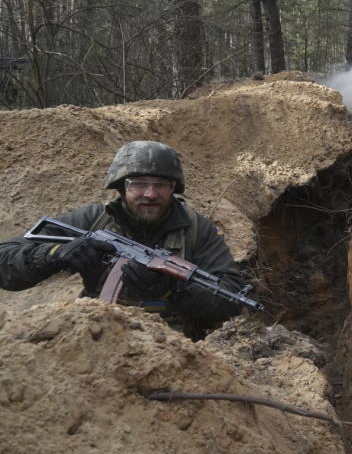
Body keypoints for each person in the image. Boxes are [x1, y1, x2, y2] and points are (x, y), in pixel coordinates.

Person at [0, 140, 246, 339]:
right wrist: (55, 254)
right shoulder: (94, 220)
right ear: (121, 186)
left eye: (161, 185)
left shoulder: (197, 230)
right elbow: (5, 261)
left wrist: (173, 289)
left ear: (173, 188)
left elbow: (231, 300)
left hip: (174, 350)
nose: (150, 194)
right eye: (138, 184)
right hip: (96, 338)